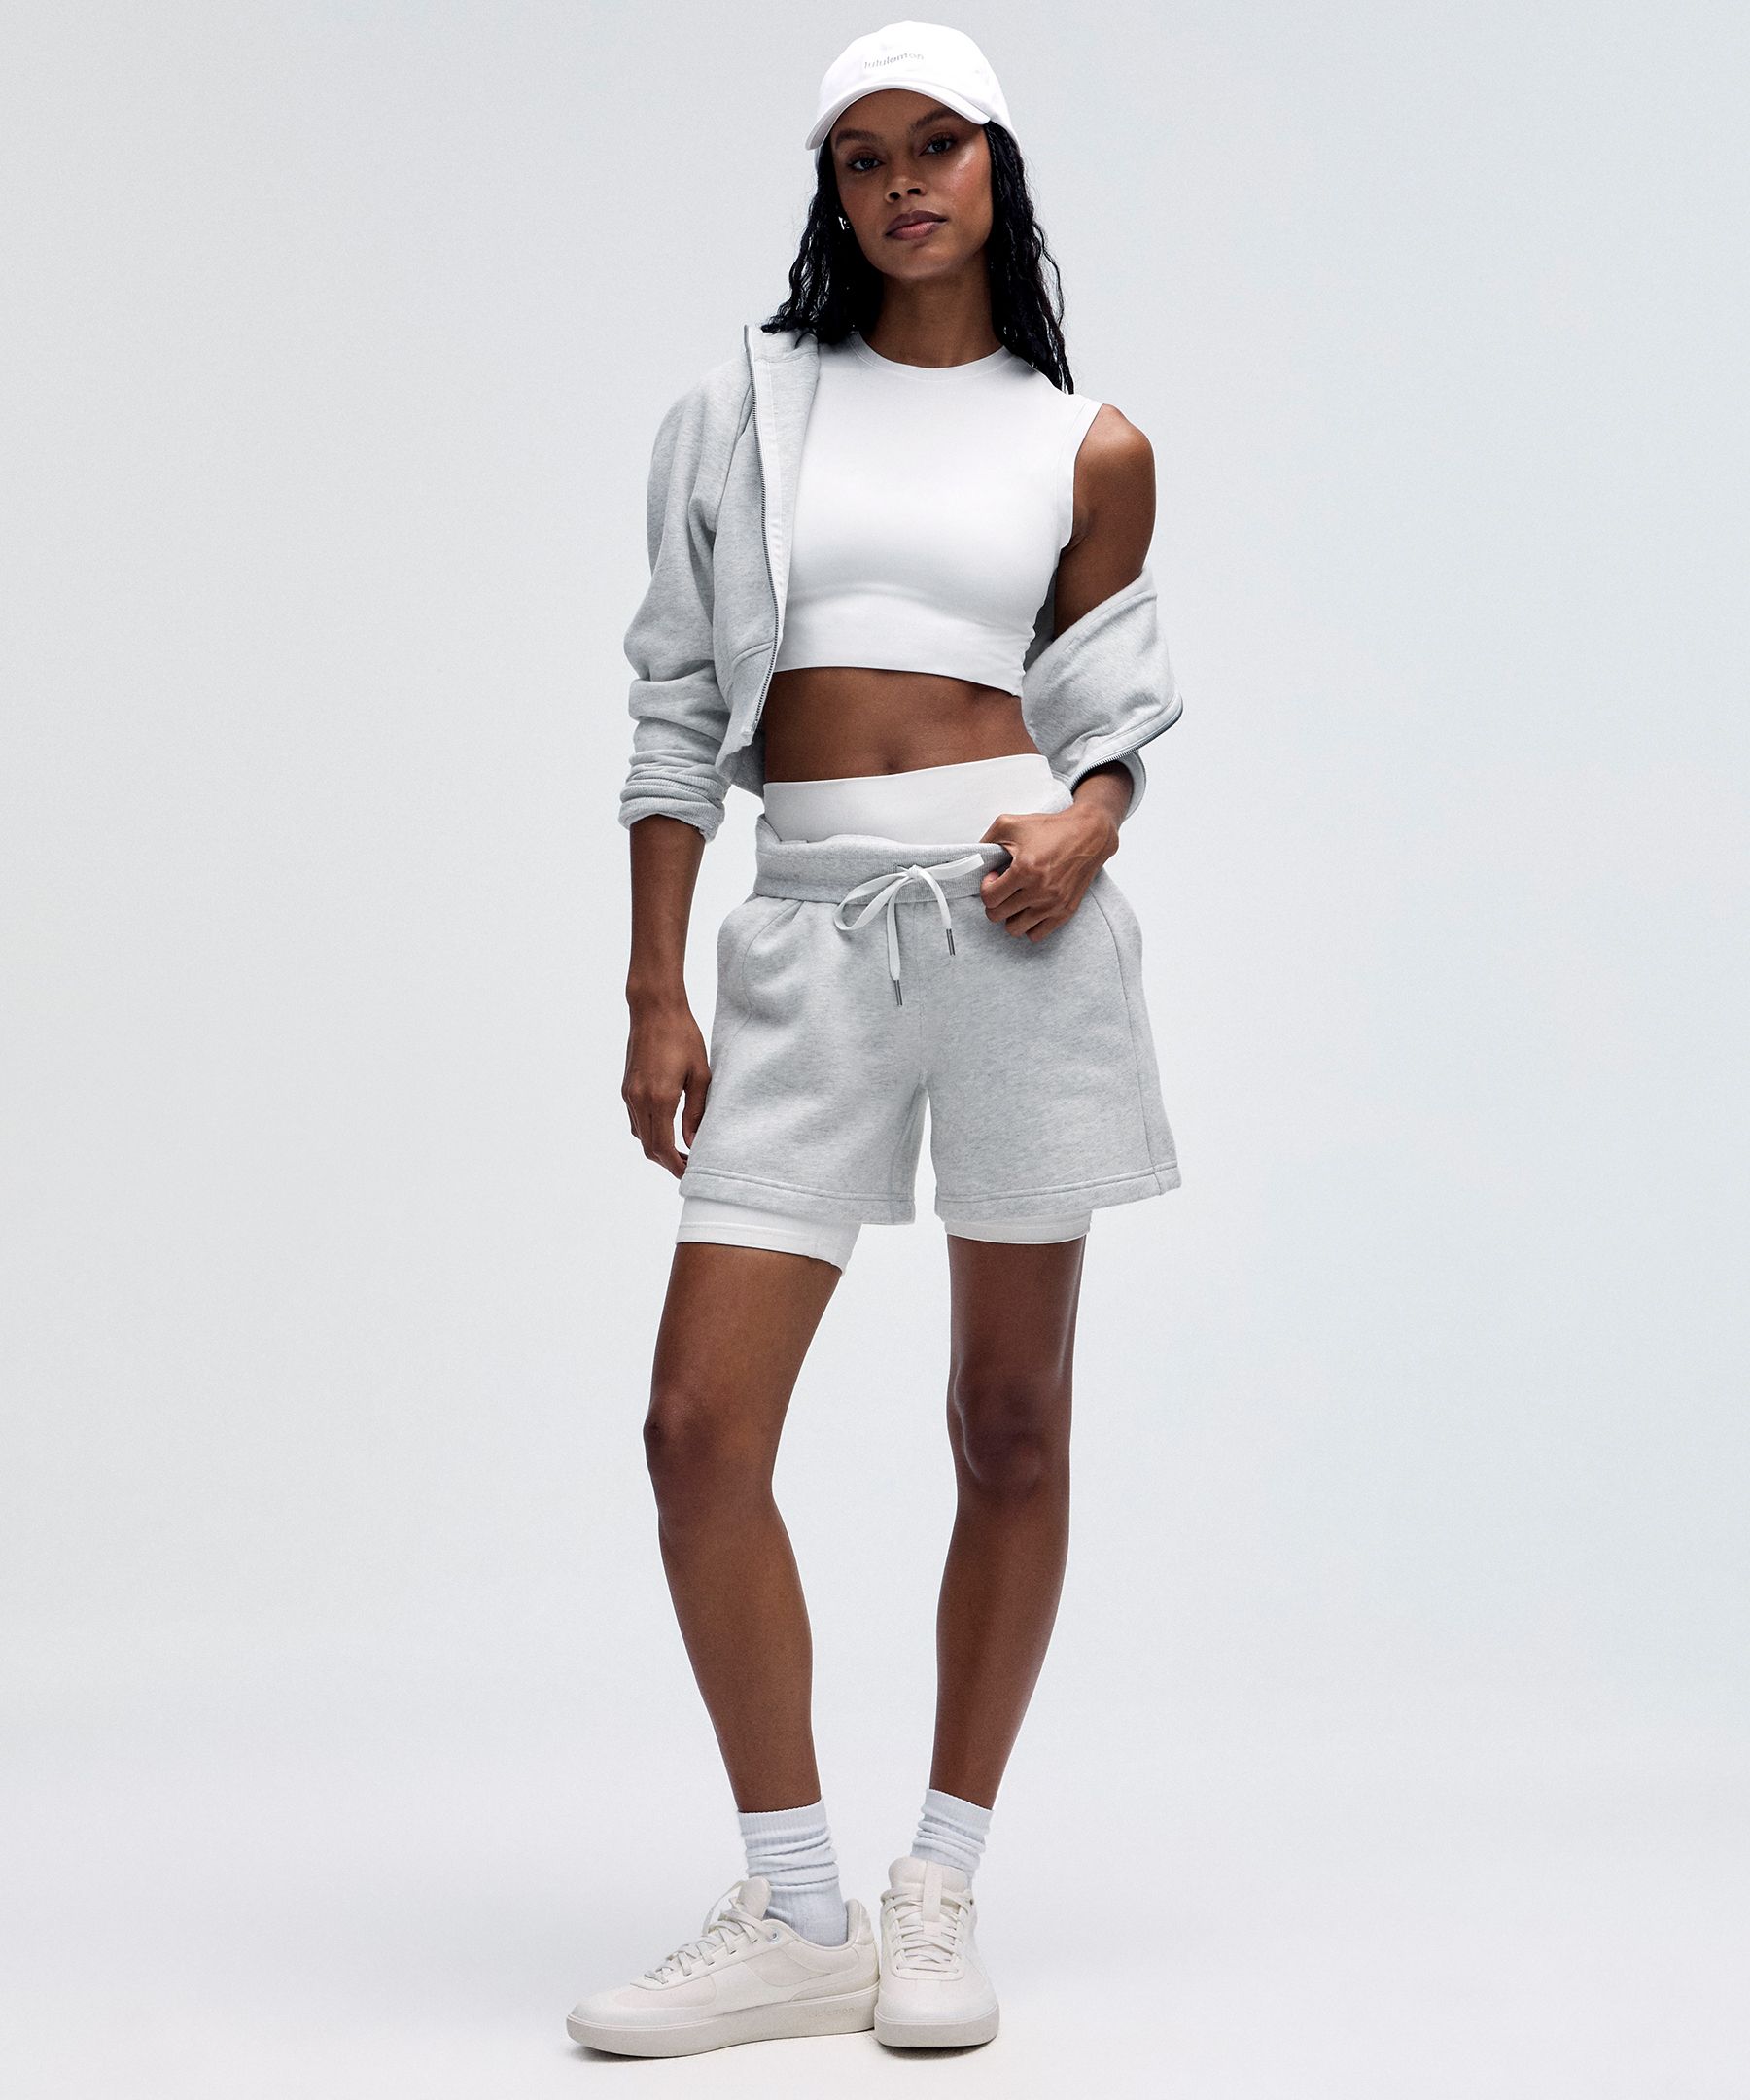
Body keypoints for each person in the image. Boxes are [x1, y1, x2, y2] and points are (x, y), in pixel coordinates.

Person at [569, 19, 1185, 2058]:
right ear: (831, 193)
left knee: (1009, 1424)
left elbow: (1108, 720)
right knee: (697, 1429)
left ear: (1000, 168)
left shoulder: (1088, 446)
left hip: (1022, 939)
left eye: (939, 143)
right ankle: (797, 1902)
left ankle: (938, 1885)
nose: (903, 180)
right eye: (862, 156)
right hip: (809, 943)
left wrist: (1089, 825)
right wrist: (658, 982)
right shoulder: (746, 416)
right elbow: (677, 710)